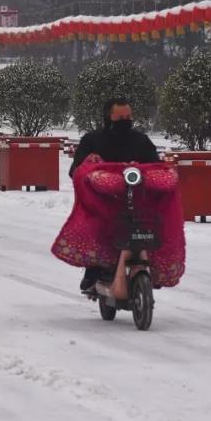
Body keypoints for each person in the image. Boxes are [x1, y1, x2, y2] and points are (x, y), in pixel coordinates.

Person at [69, 98, 161, 294]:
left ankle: (156, 268)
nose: (125, 121)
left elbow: (156, 166)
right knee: (98, 227)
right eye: (120, 118)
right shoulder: (92, 140)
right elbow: (75, 171)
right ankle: (93, 271)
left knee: (155, 226)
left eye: (128, 117)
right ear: (109, 118)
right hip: (103, 203)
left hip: (137, 201)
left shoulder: (141, 141)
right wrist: (90, 167)